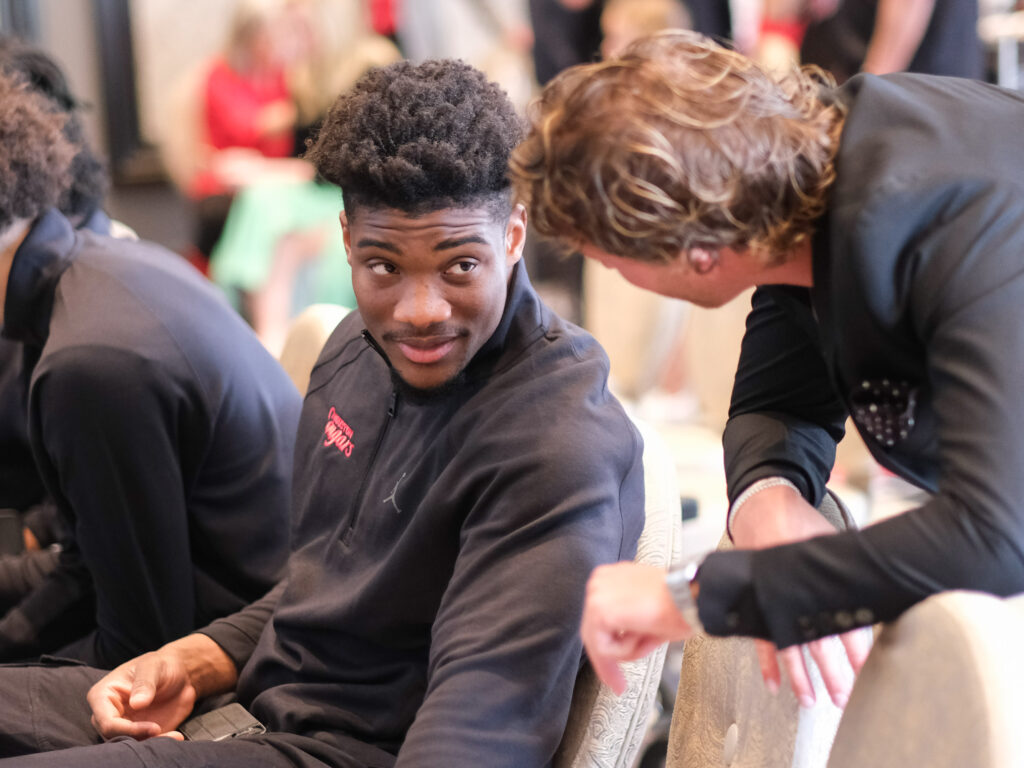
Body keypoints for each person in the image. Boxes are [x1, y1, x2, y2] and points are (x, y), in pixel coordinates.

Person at [0, 59, 644, 767]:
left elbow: (482, 727)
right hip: (247, 707)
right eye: (383, 267)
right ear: (344, 240)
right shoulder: (354, 353)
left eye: (460, 266)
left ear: (513, 235)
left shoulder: (556, 443)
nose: (419, 312)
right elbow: (320, 583)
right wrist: (199, 656)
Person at [509, 29, 1024, 711]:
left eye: (609, 260)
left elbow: (993, 536)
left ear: (691, 249)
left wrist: (696, 597)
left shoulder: (938, 214)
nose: (615, 277)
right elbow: (774, 407)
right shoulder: (811, 200)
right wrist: (769, 504)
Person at [0, 70, 300, 668]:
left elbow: (140, 639)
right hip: (216, 613)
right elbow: (88, 561)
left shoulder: (86, 364)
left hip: (255, 652)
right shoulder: (97, 268)